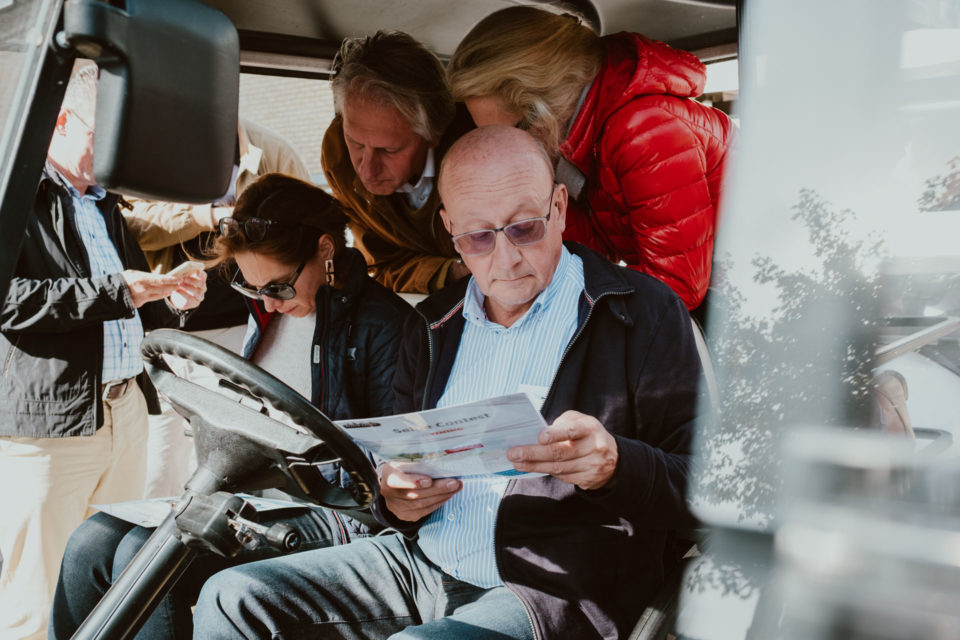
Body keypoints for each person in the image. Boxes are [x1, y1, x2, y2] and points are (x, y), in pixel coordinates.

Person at [192, 125, 702, 640]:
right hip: (421, 560)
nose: (505, 259)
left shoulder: (640, 313)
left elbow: (706, 490)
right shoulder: (432, 324)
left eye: (525, 227)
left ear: (561, 207)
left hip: (550, 588)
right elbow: (393, 479)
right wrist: (395, 498)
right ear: (449, 228)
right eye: (478, 237)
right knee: (231, 596)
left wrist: (615, 466)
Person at [49, 173, 413, 639]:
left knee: (149, 555)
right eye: (251, 287)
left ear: (325, 249)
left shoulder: (382, 326)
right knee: (90, 542)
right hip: (258, 498)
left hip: (339, 512)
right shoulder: (268, 312)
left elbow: (382, 460)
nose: (268, 302)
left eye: (279, 287)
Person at [0, 63, 206, 640]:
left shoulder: (106, 204)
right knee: (36, 596)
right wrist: (122, 291)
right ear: (60, 123)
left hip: (122, 412)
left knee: (104, 582)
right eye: (103, 135)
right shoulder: (13, 190)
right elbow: (9, 301)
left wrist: (173, 295)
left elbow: (125, 303)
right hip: (49, 428)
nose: (116, 152)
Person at [446, 5, 735, 314]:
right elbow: (591, 258)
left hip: (741, 299)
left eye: (510, 133)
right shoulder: (573, 146)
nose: (504, 151)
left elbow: (676, 288)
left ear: (543, 108)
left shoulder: (645, 130)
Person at [121, 119, 311, 498]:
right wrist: (206, 216)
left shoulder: (271, 150)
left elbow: (306, 224)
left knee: (230, 459)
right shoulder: (142, 148)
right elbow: (130, 224)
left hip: (240, 330)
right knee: (157, 469)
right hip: (160, 332)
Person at [322, 31, 472, 294]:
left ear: (433, 136)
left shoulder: (476, 152)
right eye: (355, 142)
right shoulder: (338, 157)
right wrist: (448, 273)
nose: (366, 170)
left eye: (389, 150)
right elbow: (381, 264)